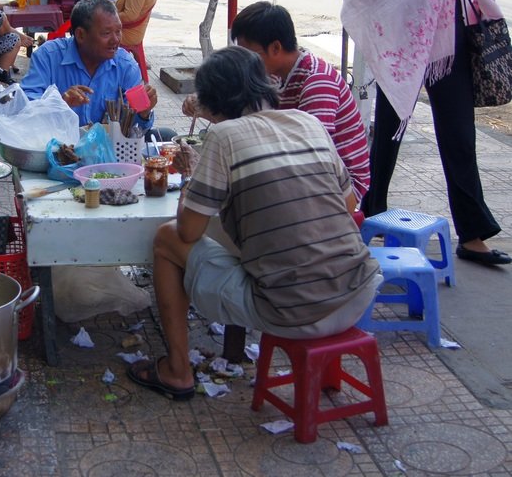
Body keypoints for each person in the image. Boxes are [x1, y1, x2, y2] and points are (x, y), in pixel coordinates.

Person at [126, 46, 382, 401]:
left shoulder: (223, 137)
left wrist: (192, 175)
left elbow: (188, 232)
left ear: (213, 103)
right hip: (358, 293)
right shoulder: (307, 123)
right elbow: (348, 204)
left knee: (167, 239)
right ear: (265, 84)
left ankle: (178, 370)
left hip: (293, 309)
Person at [342, 0, 510, 265]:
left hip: (449, 43)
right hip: (403, 44)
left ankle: (472, 235)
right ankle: (368, 215)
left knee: (459, 136)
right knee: (386, 138)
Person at [227, 1, 370, 201]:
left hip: (342, 188)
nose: (246, 63)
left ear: (276, 47)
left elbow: (313, 155)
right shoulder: (275, 74)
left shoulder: (317, 81)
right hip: (305, 170)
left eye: (250, 55)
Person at [21, 0, 158, 128]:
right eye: (106, 33)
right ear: (81, 35)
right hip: (57, 143)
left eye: (118, 31)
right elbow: (25, 105)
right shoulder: (48, 56)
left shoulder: (126, 65)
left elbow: (133, 129)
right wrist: (59, 103)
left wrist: (144, 113)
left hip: (107, 147)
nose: (116, 40)